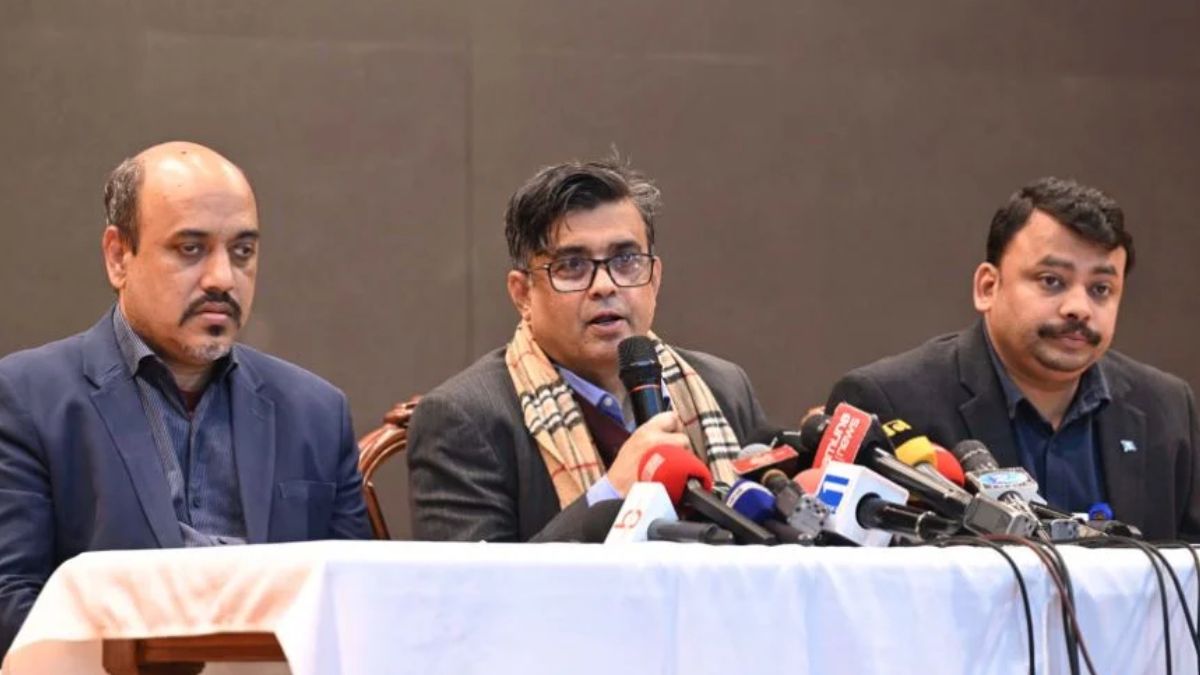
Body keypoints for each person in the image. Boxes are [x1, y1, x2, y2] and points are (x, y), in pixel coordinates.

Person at [0, 141, 370, 655]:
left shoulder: (316, 413)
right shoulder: (27, 399)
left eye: (242, 252)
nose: (222, 278)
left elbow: (358, 606)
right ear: (118, 257)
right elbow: (12, 603)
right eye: (190, 249)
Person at [407, 157, 768, 542]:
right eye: (572, 265)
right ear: (523, 294)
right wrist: (611, 494)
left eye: (626, 260)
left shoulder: (723, 387)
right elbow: (473, 581)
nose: (605, 286)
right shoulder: (465, 419)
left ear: (655, 278)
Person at [826, 177, 1199, 540]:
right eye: (1052, 280)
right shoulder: (887, 402)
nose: (1079, 308)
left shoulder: (1166, 408)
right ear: (988, 287)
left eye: (1100, 289)